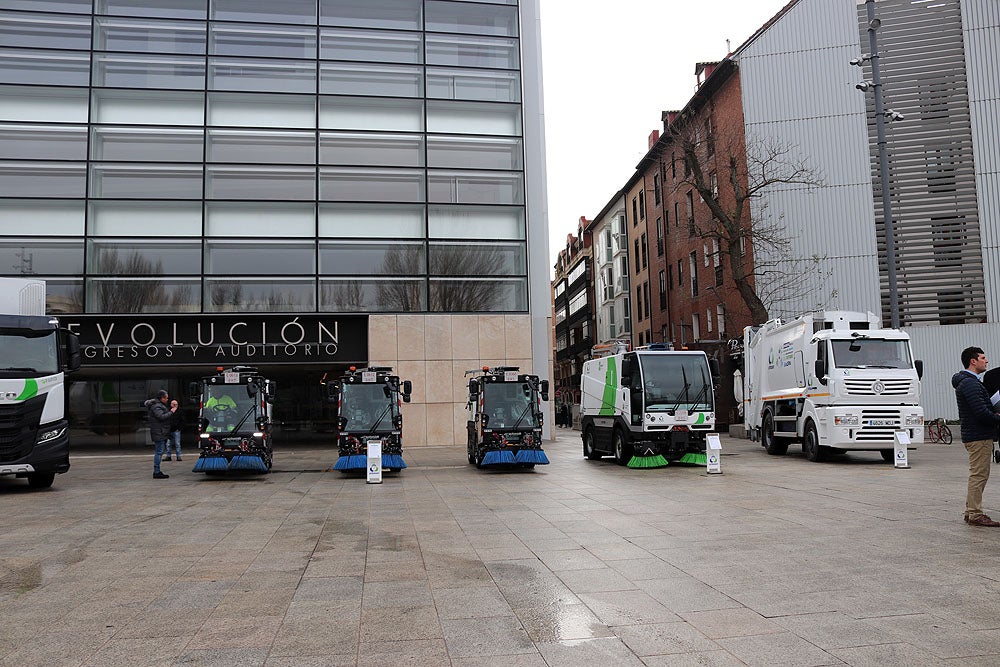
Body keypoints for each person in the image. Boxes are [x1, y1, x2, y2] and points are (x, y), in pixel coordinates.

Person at [952, 347, 1000, 526]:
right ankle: (975, 514)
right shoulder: (971, 383)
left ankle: (970, 511)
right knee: (979, 475)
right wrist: (997, 417)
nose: (986, 361)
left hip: (976, 434)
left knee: (978, 474)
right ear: (973, 361)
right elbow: (981, 412)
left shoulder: (969, 381)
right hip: (978, 435)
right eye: (983, 357)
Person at [144, 389, 176, 479]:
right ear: (162, 398)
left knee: (159, 451)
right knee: (159, 452)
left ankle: (157, 471)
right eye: (166, 398)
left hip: (160, 432)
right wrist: (172, 411)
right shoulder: (157, 406)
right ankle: (156, 471)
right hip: (159, 432)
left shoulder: (158, 405)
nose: (167, 400)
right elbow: (162, 417)